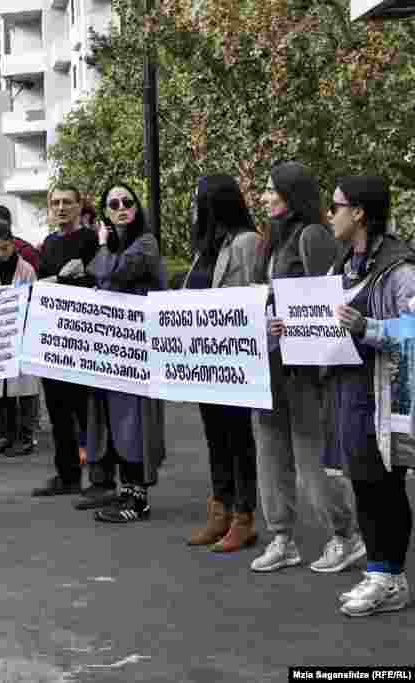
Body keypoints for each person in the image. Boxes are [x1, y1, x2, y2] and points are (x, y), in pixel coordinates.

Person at [254, 161, 362, 573]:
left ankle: (344, 535)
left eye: (271, 190)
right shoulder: (273, 241)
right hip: (271, 362)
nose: (264, 198)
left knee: (309, 456)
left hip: (303, 370)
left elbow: (329, 301)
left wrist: (291, 323)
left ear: (292, 194)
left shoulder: (312, 236)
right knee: (270, 451)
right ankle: (282, 537)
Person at [323, 176, 414, 616]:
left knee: (383, 486)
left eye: (335, 205)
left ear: (358, 212)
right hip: (348, 393)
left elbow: (414, 334)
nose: (329, 213)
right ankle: (382, 572)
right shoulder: (342, 265)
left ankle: (388, 576)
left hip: (385, 399)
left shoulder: (400, 270)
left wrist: (368, 328)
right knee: (363, 482)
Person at [182, 175, 262, 551]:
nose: (194, 207)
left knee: (238, 438)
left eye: (199, 200)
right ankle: (221, 512)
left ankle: (244, 517)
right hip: (204, 360)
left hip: (233, 360)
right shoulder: (205, 248)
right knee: (216, 438)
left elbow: (257, 295)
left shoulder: (246, 243)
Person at [82, 182, 167, 523]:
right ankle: (126, 491)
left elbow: (114, 271)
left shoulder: (145, 242)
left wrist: (101, 245)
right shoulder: (115, 246)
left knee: (135, 424)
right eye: (113, 203)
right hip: (112, 350)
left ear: (136, 207)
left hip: (138, 350)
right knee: (112, 424)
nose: (121, 207)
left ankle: (139, 498)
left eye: (127, 202)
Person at [31, 183, 101, 497]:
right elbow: (41, 283)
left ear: (79, 206)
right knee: (57, 410)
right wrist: (61, 278)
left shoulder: (90, 239)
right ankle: (67, 475)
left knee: (84, 411)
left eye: (67, 202)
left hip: (81, 337)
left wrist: (66, 279)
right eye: (55, 202)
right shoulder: (47, 243)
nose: (61, 208)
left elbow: (94, 281)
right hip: (52, 336)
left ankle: (98, 478)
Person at [0, 206, 42, 447]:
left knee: (22, 390)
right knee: (1, 391)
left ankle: (25, 438)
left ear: (12, 243)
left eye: (5, 248)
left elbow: (34, 301)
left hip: (21, 336)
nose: (1, 253)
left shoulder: (27, 270)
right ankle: (9, 435)